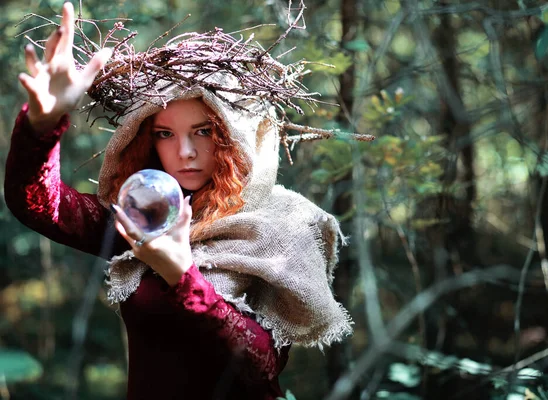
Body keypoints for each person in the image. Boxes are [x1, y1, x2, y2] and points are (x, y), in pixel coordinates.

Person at [5, 3, 353, 400]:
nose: (184, 151)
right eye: (165, 134)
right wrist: (42, 125)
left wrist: (183, 274)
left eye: (203, 131)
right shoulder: (151, 216)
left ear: (237, 134)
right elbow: (38, 205)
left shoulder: (282, 225)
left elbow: (261, 370)